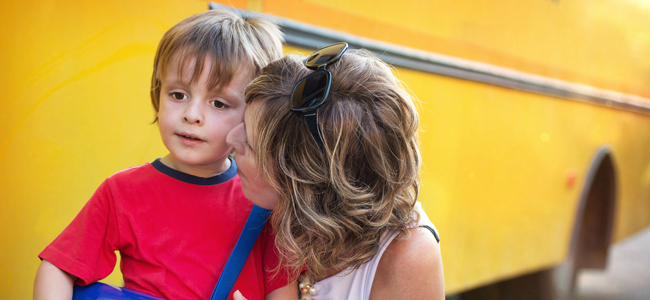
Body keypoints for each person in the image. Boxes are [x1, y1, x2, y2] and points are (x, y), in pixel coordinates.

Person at [34, 10, 297, 300]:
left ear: (252, 115)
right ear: (158, 94)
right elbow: (57, 267)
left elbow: (282, 291)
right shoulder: (121, 192)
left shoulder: (264, 199)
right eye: (178, 95)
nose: (192, 115)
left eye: (219, 103)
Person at [226, 43, 444, 300]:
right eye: (242, 123)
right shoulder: (260, 206)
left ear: (306, 184)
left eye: (249, 144)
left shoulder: (406, 256)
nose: (231, 139)